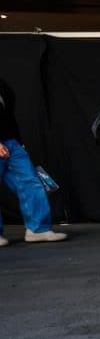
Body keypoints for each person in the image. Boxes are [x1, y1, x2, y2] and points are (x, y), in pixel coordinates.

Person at [0, 76, 67, 246]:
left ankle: (38, 229)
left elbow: (7, 113)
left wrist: (18, 140)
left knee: (31, 181)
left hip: (11, 141)